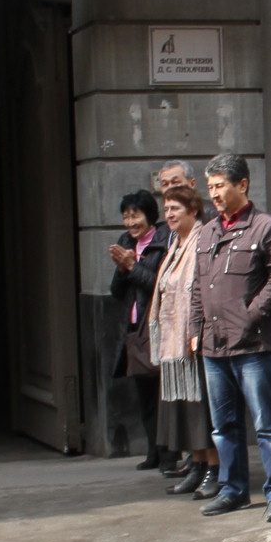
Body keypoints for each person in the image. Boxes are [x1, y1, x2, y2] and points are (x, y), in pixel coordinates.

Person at [192, 154, 271, 523]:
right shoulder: (206, 231)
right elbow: (197, 287)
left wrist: (251, 315)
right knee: (224, 425)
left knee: (267, 423)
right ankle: (232, 490)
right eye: (211, 188)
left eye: (220, 186)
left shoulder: (266, 227)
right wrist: (195, 330)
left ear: (242, 185)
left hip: (252, 346)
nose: (215, 194)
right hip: (213, 346)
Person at [148, 184, 218, 497]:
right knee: (186, 412)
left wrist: (195, 330)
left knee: (202, 413)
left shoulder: (203, 238)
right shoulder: (176, 243)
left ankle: (215, 471)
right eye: (166, 210)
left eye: (175, 208)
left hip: (195, 339)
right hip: (174, 343)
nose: (169, 215)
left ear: (192, 209)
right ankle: (199, 467)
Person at [106, 190, 169, 469]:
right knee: (143, 393)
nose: (131, 222)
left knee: (162, 395)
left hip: (157, 326)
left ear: (150, 216)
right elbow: (117, 292)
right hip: (133, 329)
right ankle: (153, 453)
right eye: (126, 216)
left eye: (136, 215)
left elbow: (160, 286)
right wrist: (122, 270)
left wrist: (132, 266)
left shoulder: (162, 242)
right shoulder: (125, 243)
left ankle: (169, 455)